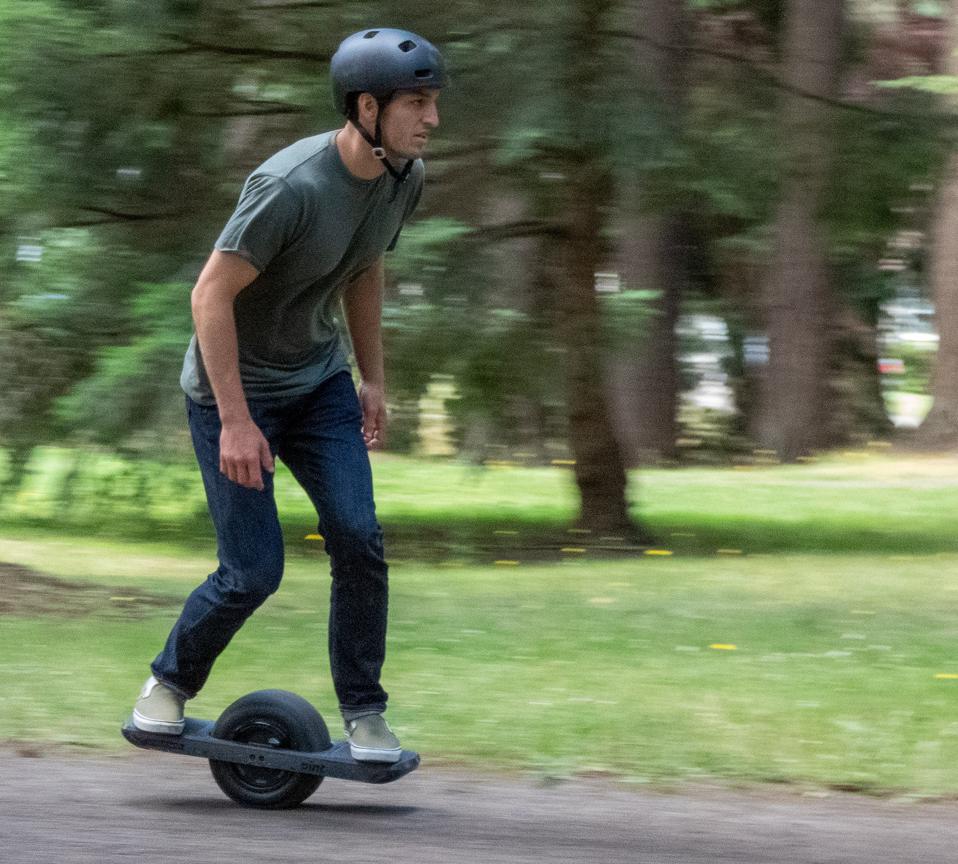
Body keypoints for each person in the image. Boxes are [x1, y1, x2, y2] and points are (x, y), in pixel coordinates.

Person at [131, 28, 445, 764]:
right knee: (253, 571)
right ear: (367, 107)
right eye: (418, 103)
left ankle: (364, 713)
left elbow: (365, 269)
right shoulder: (290, 186)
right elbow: (209, 297)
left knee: (359, 540)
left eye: (434, 103)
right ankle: (166, 689)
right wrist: (236, 422)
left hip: (317, 382)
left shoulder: (404, 175)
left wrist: (371, 377)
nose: (433, 119)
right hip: (231, 392)